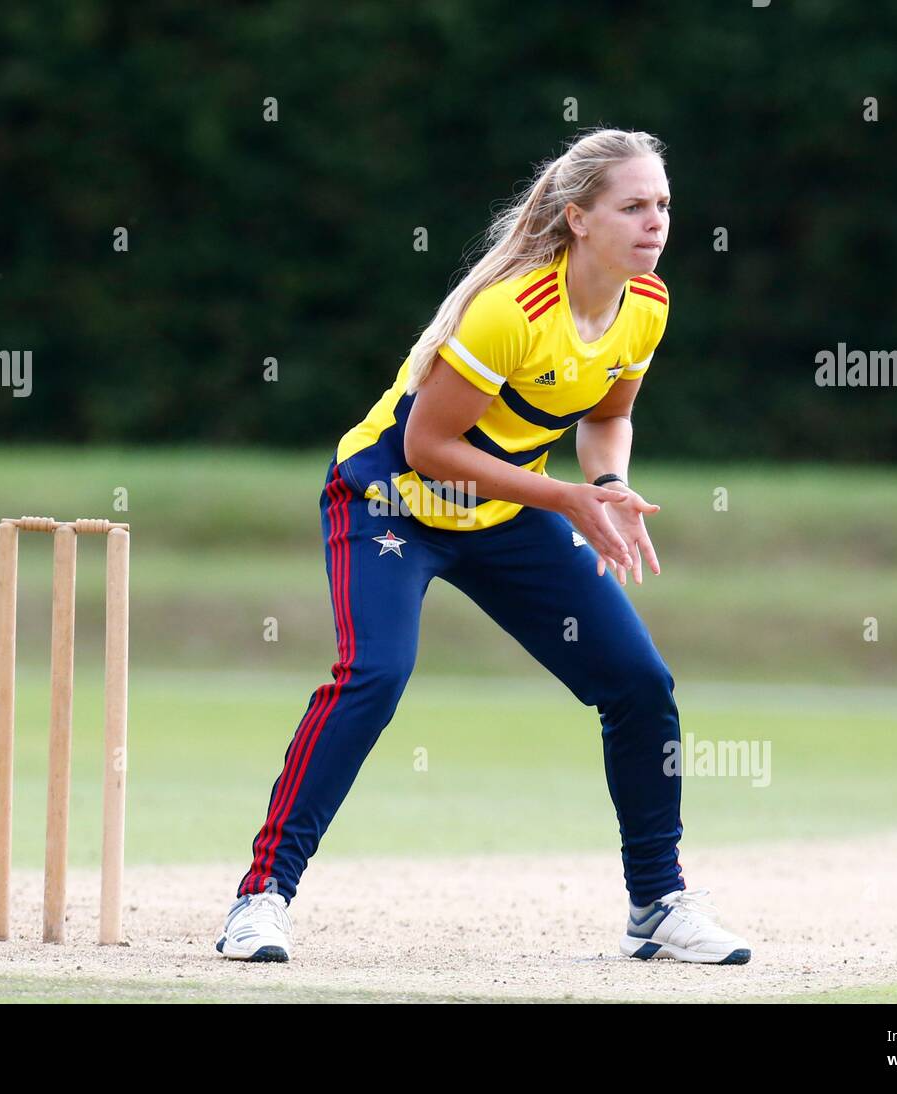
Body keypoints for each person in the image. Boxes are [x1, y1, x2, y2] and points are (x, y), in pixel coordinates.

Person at [215, 127, 751, 966]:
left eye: (665, 206)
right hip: (389, 501)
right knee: (376, 675)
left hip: (500, 513)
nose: (657, 223)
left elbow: (609, 416)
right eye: (634, 206)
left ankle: (657, 902)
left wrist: (604, 487)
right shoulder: (512, 310)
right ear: (578, 218)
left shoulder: (645, 305)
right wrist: (567, 499)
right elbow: (428, 446)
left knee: (639, 683)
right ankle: (261, 898)